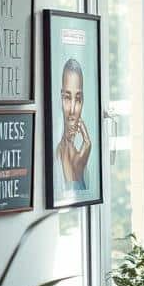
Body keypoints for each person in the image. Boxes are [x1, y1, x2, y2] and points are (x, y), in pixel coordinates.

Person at [55, 58, 92, 197]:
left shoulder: (81, 158)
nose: (72, 110)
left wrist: (79, 171)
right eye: (67, 97)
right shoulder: (55, 157)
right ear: (60, 98)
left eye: (78, 99)